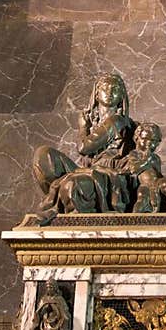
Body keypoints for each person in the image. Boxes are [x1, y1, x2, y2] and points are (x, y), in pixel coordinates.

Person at [30, 72, 134, 220]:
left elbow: (84, 148)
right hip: (91, 170)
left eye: (115, 89)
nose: (109, 92)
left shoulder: (116, 121)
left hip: (107, 175)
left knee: (73, 185)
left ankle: (73, 200)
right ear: (97, 94)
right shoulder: (97, 122)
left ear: (121, 95)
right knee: (44, 155)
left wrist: (83, 128)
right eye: (105, 88)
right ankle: (65, 198)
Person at [121, 123, 166, 213]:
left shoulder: (155, 158)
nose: (149, 143)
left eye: (153, 141)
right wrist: (146, 160)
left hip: (157, 182)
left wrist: (162, 180)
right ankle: (134, 217)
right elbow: (133, 169)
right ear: (136, 138)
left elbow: (158, 173)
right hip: (144, 185)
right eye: (145, 139)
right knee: (141, 199)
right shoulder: (134, 154)